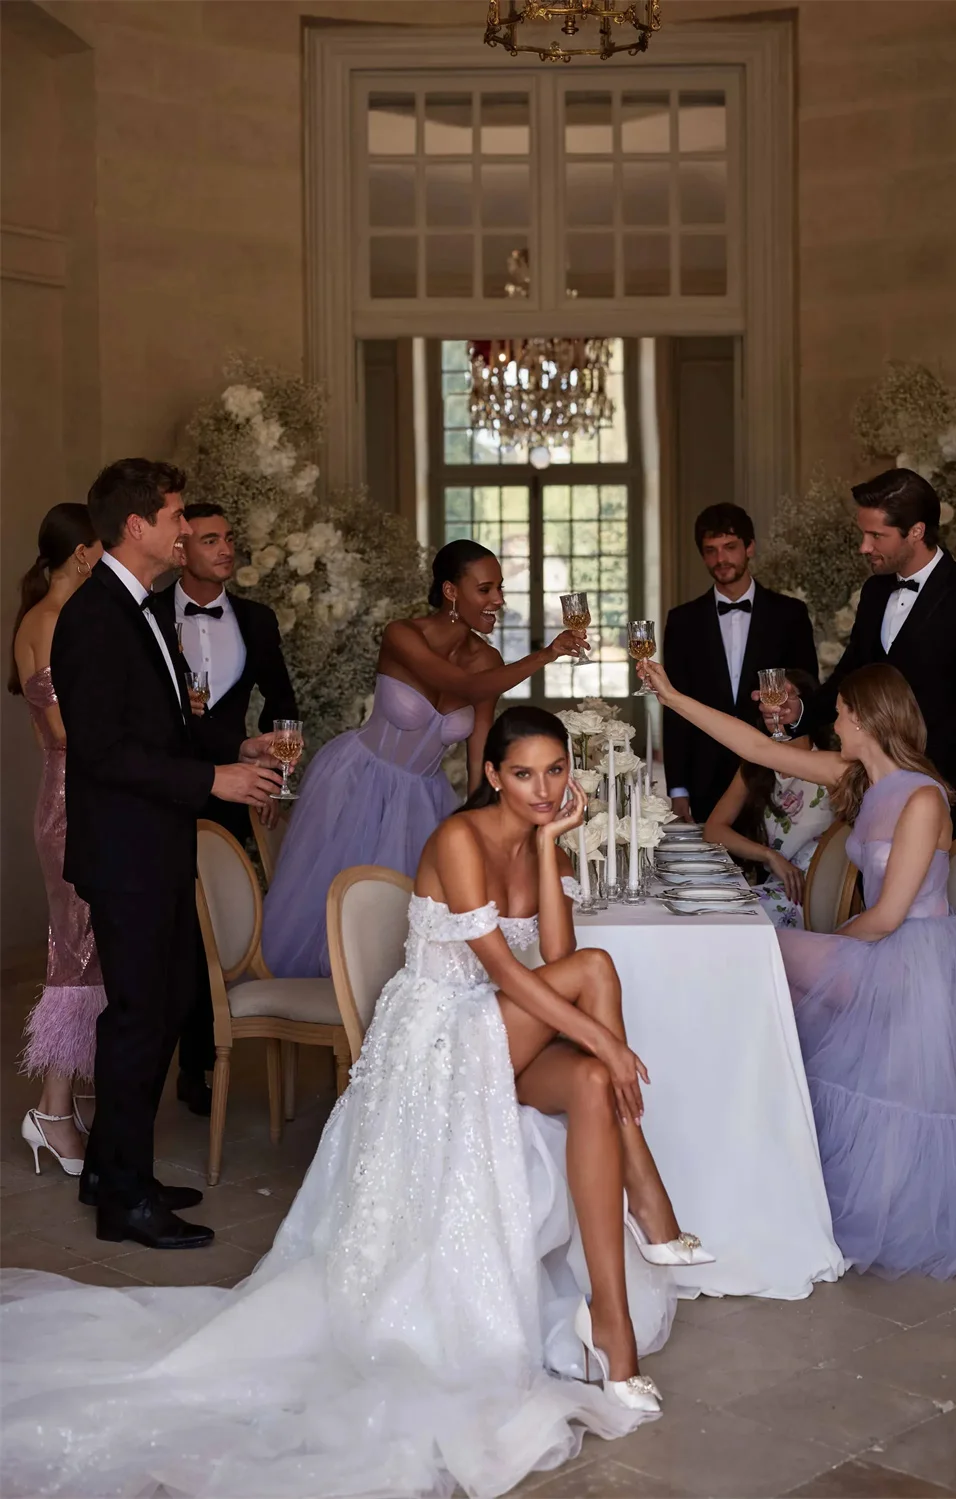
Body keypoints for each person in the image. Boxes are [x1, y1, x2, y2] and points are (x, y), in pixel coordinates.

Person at [0, 707, 715, 1499]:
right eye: (523, 774)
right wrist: (613, 1044)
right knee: (601, 977)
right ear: (490, 775)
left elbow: (552, 955)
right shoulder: (458, 839)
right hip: (441, 1041)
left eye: (555, 772)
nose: (543, 789)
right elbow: (516, 979)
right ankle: (646, 1194)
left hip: (499, 1036)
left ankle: (611, 1333)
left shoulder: (538, 835)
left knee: (586, 1071)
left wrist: (549, 849)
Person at [643, 656, 956, 1280]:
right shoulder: (856, 777)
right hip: (883, 949)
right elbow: (756, 744)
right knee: (758, 952)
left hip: (914, 958)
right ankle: (731, 1126)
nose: (833, 722)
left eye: (839, 713)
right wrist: (672, 697)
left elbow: (888, 916)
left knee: (760, 951)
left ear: (864, 718)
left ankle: (732, 1125)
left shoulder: (922, 799)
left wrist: (830, 949)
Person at [51, 459, 284, 1250]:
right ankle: (122, 1198)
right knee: (141, 1020)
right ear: (138, 526)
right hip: (126, 851)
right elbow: (103, 752)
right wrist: (211, 777)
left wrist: (234, 747)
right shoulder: (92, 617)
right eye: (178, 515)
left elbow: (162, 731)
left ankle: (119, 1171)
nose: (186, 528)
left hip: (154, 843)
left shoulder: (139, 606)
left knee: (161, 1005)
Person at [262, 538, 585, 978]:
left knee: (406, 924)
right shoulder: (403, 635)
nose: (498, 600)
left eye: (499, 589)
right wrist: (547, 654)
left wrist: (485, 825)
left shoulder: (488, 658)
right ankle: (337, 1016)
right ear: (452, 592)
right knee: (329, 913)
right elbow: (466, 687)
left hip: (422, 798)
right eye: (485, 589)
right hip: (358, 779)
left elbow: (480, 758)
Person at [149, 501, 298, 1116]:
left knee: (219, 923)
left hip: (235, 792)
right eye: (211, 540)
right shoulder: (148, 616)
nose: (227, 549)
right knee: (173, 930)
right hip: (163, 791)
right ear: (181, 550)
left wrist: (276, 779)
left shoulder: (258, 620)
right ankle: (176, 1062)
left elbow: (281, 704)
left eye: (230, 538)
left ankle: (204, 1064)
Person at [782, 469, 956, 836]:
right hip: (875, 794)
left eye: (876, 535)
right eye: (863, 533)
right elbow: (850, 676)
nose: (864, 547)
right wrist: (801, 711)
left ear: (916, 531)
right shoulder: (874, 592)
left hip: (949, 803)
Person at [8, 505, 106, 1177]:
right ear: (82, 555)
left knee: (89, 950)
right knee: (74, 951)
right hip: (69, 801)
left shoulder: (73, 618)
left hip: (93, 798)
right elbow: (65, 731)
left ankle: (63, 1103)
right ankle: (51, 1111)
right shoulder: (44, 622)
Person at [662, 503, 817, 824]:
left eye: (730, 547)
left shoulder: (790, 614)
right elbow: (674, 707)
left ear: (749, 547)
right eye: (711, 550)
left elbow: (808, 689)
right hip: (704, 773)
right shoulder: (682, 621)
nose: (720, 559)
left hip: (775, 770)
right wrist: (677, 788)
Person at [704, 672, 834, 929]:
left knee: (723, 921)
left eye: (787, 695)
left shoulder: (831, 765)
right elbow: (713, 829)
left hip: (819, 894)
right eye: (766, 698)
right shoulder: (757, 766)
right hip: (778, 891)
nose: (774, 704)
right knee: (707, 911)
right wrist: (769, 856)